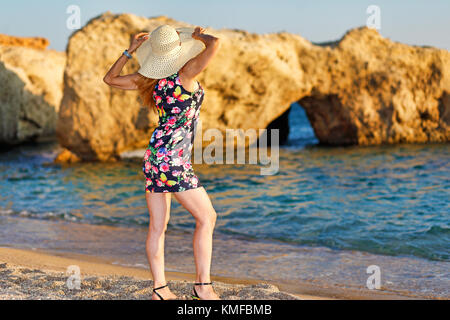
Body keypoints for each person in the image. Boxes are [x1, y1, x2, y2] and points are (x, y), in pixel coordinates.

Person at [103, 24, 221, 300]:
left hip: (156, 155)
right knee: (207, 217)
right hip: (172, 159)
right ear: (178, 51)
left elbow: (110, 79)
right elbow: (214, 44)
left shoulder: (148, 81)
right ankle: (203, 286)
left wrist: (129, 51)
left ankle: (160, 289)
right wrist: (199, 35)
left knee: (158, 226)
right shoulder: (186, 74)